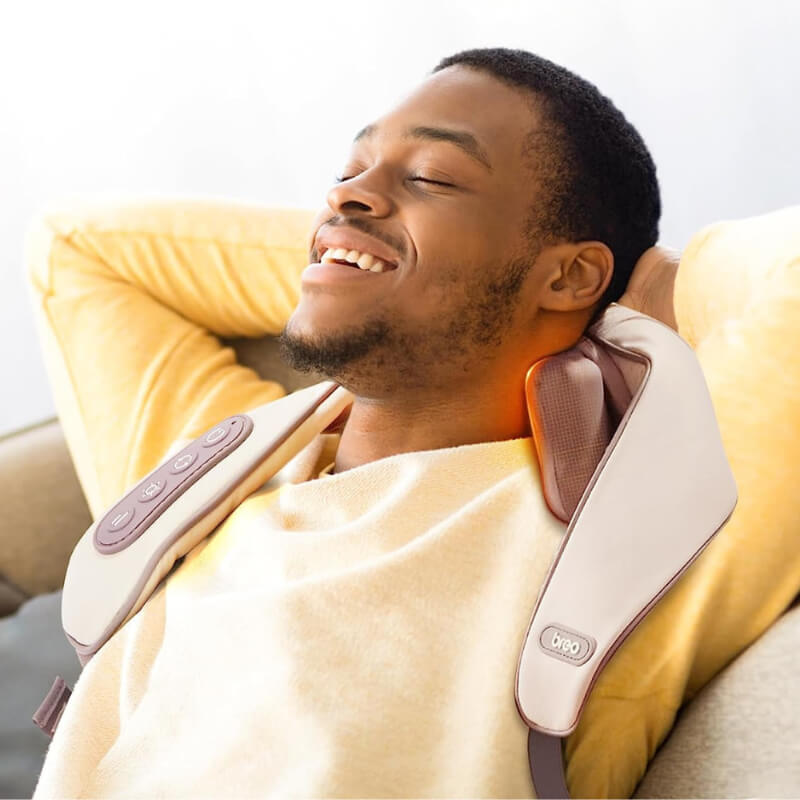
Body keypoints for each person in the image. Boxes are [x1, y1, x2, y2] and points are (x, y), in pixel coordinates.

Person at [25, 47, 795, 798]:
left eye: (431, 176)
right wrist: (359, 249)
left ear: (569, 274)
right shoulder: (205, 487)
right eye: (348, 170)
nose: (346, 194)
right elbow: (79, 250)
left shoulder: (631, 534)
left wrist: (632, 291)